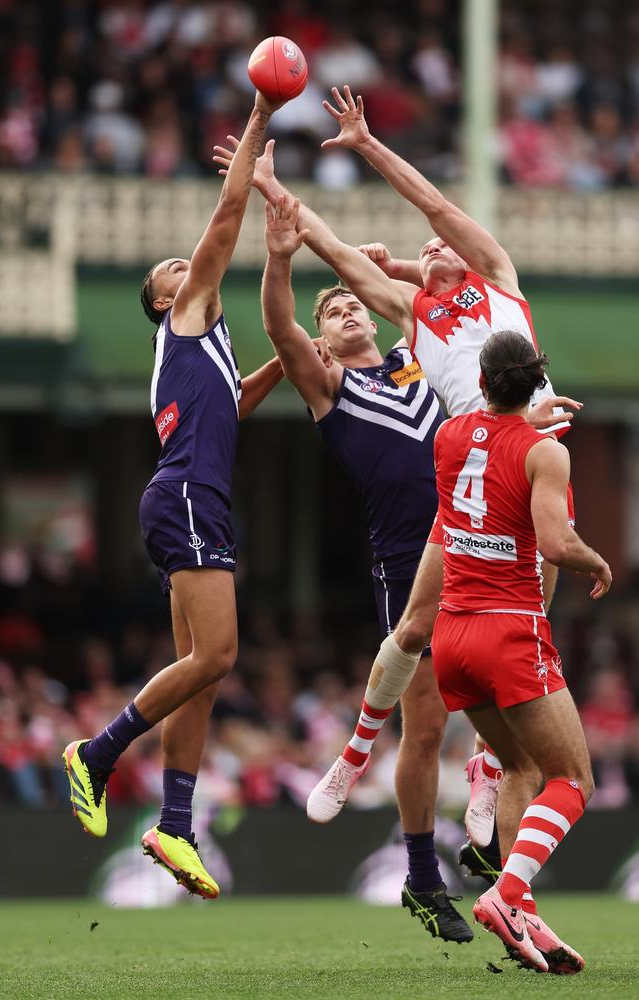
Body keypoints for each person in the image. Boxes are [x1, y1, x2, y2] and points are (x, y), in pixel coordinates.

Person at [213, 123, 577, 933]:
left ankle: (493, 810)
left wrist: (372, 153)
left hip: (511, 482)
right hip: (439, 521)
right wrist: (283, 216)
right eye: (334, 311)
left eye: (439, 249)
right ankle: (367, 778)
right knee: (420, 675)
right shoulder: (392, 338)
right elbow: (333, 268)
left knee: (529, 637)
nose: (434, 248)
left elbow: (436, 211)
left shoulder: (477, 299)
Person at [62, 88, 285, 900]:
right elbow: (224, 222)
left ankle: (177, 825)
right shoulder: (186, 316)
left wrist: (293, 359)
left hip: (189, 495)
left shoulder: (208, 349)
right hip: (189, 495)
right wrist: (259, 121)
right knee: (217, 655)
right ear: (164, 298)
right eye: (173, 269)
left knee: (203, 668)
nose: (187, 267)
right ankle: (95, 754)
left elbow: (234, 404)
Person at [261, 194, 471, 943]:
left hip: (474, 544)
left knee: (499, 702)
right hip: (404, 562)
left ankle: (486, 821)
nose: (348, 309)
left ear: (378, 320)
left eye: (355, 304)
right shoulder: (329, 387)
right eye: (333, 312)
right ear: (321, 342)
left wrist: (400, 266)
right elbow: (278, 328)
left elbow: (464, 283)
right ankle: (421, 877)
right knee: (424, 729)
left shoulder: (420, 352)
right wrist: (283, 255)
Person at [432, 330, 611, 972]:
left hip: (451, 633)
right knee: (574, 778)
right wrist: (598, 562)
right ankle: (506, 894)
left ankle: (523, 910)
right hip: (509, 629)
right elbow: (555, 543)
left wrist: (518, 420)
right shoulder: (545, 453)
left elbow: (487, 436)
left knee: (520, 770)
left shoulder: (449, 436)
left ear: (482, 383)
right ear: (536, 383)